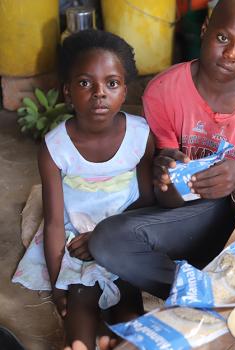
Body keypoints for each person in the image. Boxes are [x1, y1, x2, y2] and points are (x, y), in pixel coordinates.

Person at [89, 0, 235, 300]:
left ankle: (210, 284)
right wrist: (167, 176)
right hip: (183, 221)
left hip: (233, 220)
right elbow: (165, 200)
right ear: (205, 29)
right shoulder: (163, 90)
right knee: (106, 240)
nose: (231, 54)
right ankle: (212, 296)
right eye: (222, 38)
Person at [12, 30, 154, 350]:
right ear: (67, 91)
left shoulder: (141, 135)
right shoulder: (55, 147)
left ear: (125, 90)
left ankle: (117, 337)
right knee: (77, 302)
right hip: (75, 235)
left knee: (130, 309)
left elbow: (147, 201)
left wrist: (107, 238)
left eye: (112, 83)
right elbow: (51, 223)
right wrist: (56, 286)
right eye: (85, 83)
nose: (99, 93)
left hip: (124, 235)